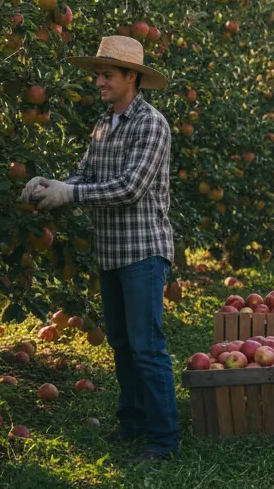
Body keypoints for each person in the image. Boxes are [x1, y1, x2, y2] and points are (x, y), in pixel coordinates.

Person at [19, 35, 179, 465]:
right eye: (98, 75)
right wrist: (49, 186)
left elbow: (130, 187)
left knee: (147, 346)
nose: (100, 82)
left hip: (144, 250)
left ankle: (163, 442)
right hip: (111, 250)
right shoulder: (105, 122)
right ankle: (133, 425)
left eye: (107, 75)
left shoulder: (151, 123)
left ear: (132, 77)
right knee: (123, 345)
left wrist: (70, 194)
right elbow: (85, 175)